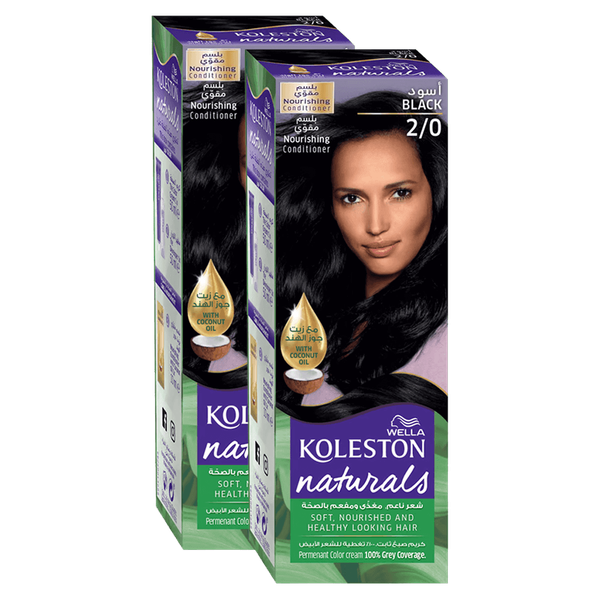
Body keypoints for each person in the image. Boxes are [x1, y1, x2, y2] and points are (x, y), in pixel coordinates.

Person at [274, 91, 449, 422]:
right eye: (352, 198)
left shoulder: (442, 339)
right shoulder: (320, 312)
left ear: (436, 192)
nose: (376, 226)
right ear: (330, 206)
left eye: (400, 193)